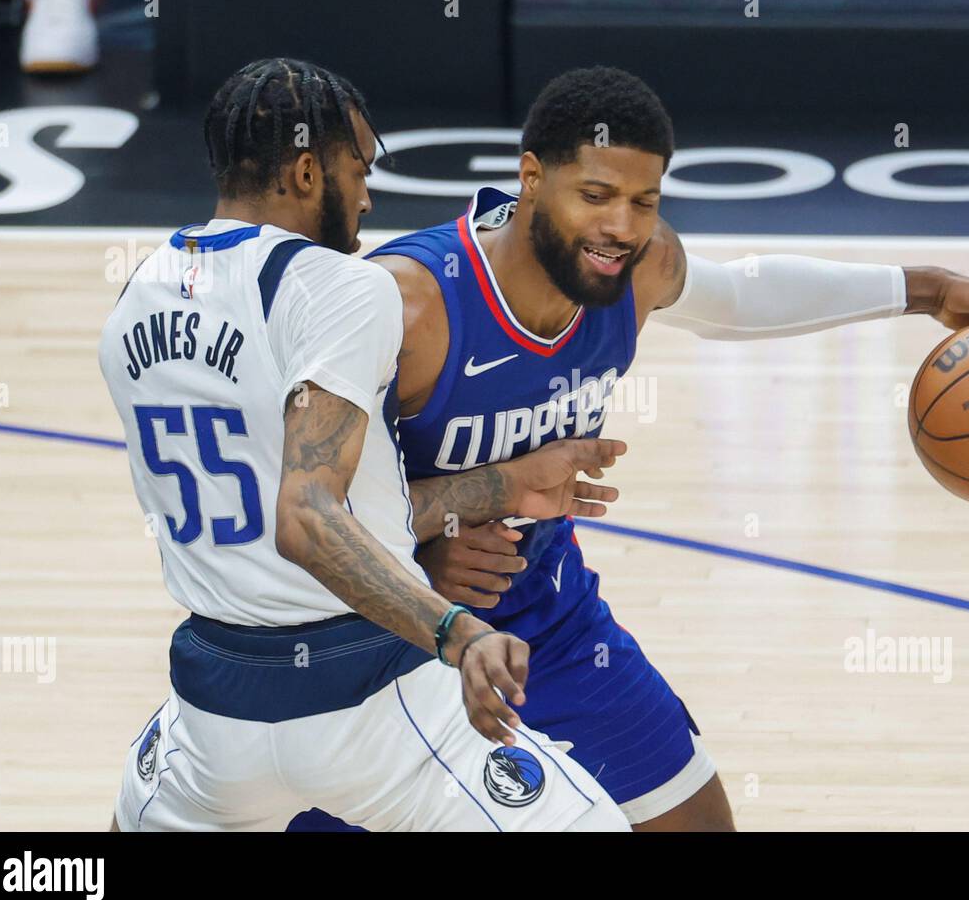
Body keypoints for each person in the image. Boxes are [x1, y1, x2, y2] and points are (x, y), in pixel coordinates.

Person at [292, 65, 969, 832]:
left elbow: (738, 296)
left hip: (554, 630)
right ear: (532, 178)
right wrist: (422, 549)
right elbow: (300, 508)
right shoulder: (411, 301)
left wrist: (930, 290)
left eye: (643, 201)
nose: (623, 227)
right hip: (390, 642)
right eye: (595, 195)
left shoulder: (639, 267)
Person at [98, 57, 629, 831]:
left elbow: (295, 495)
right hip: (371, 695)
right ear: (309, 171)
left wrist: (503, 485)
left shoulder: (134, 294)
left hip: (214, 718)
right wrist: (459, 630)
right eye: (361, 168)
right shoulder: (341, 285)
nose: (370, 195)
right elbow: (307, 515)